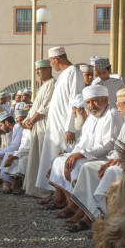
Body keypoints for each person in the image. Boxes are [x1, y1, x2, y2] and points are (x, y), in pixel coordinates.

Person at [66, 87, 125, 231]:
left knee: (111, 172)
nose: (118, 110)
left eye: (120, 106)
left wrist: (122, 159)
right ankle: (90, 214)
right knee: (88, 168)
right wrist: (113, 159)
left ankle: (104, 221)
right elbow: (119, 145)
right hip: (121, 161)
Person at [46, 85, 123, 211]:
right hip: (87, 155)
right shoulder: (91, 117)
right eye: (88, 102)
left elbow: (110, 144)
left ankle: (79, 208)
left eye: (95, 101)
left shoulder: (112, 114)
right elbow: (82, 142)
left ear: (106, 100)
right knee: (59, 160)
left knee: (77, 165)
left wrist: (81, 154)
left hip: (103, 157)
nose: (91, 106)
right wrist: (71, 154)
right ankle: (67, 201)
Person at [35, 46, 84, 192]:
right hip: (55, 125)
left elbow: (75, 101)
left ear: (56, 59)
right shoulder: (63, 74)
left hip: (64, 126)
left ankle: (64, 195)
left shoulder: (74, 72)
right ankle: (56, 193)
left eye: (51, 62)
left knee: (63, 159)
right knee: (53, 158)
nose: (51, 65)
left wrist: (70, 127)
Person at [23, 59, 55, 197]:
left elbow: (46, 106)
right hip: (36, 125)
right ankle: (35, 189)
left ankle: (45, 191)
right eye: (36, 70)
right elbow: (35, 107)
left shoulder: (52, 84)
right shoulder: (43, 86)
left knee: (43, 157)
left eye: (39, 70)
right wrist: (27, 120)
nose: (37, 73)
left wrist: (33, 119)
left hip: (44, 124)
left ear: (48, 69)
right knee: (36, 157)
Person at [0, 111, 23, 193]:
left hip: (25, 152)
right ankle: (7, 183)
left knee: (8, 155)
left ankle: (7, 185)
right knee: (7, 154)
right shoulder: (15, 128)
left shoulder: (18, 127)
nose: (1, 128)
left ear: (7, 123)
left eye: (1, 125)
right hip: (21, 152)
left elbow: (15, 147)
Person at [4, 108, 31, 195]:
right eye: (18, 120)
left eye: (22, 120)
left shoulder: (30, 130)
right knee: (12, 158)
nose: (20, 122)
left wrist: (14, 156)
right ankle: (14, 186)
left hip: (30, 153)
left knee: (20, 160)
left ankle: (23, 187)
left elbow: (28, 148)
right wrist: (14, 156)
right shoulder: (23, 129)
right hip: (22, 152)